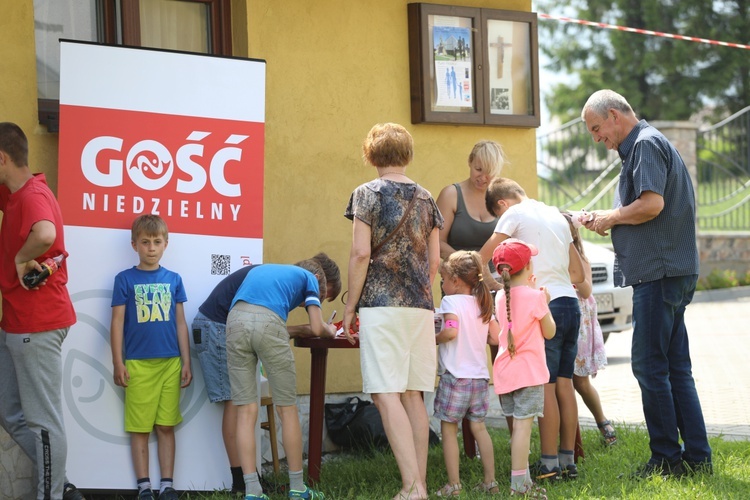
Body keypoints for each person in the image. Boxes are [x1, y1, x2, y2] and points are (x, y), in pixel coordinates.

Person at [580, 89, 711, 477]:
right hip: (672, 270)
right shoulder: (648, 143)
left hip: (660, 273)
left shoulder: (645, 145)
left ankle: (667, 459)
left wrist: (612, 217)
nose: (596, 138)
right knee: (674, 367)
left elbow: (652, 204)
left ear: (616, 115)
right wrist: (611, 219)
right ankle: (698, 458)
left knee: (650, 366)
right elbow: (644, 210)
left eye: (597, 128)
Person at [343, 123, 443, 500]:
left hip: (381, 307)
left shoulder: (366, 194)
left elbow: (360, 253)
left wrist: (351, 306)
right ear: (407, 154)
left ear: (371, 155)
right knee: (413, 395)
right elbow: (434, 262)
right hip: (419, 306)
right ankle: (421, 486)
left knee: (385, 394)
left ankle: (411, 487)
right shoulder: (427, 198)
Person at [191, 254, 341, 493]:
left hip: (232, 323)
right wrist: (329, 330)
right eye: (321, 297)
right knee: (285, 408)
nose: (310, 303)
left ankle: (251, 489)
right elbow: (308, 326)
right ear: (317, 277)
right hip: (220, 325)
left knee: (244, 409)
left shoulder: (269, 273)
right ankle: (294, 488)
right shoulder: (308, 278)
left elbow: (256, 318)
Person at [0, 122, 84, 500]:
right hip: (15, 322)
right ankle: (61, 484)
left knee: (43, 424)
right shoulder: (15, 192)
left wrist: (20, 258)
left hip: (37, 324)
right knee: (9, 410)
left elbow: (46, 234)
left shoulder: (32, 195)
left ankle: (51, 495)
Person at [479, 177, 584, 481]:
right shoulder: (556, 214)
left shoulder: (514, 214)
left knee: (546, 384)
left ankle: (548, 463)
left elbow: (483, 257)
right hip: (568, 304)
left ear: (502, 204)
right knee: (565, 382)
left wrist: (498, 287)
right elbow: (576, 272)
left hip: (542, 304)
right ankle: (568, 459)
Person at [110, 214, 192, 500]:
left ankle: (167, 484)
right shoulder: (124, 279)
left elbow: (181, 323)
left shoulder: (174, 280)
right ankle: (144, 486)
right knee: (140, 428)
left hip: (171, 363)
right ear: (134, 245)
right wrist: (118, 362)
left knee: (166, 425)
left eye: (157, 242)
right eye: (145, 242)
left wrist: (186, 361)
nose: (151, 248)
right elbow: (117, 322)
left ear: (166, 244)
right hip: (137, 365)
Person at [435, 139, 506, 456]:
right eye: (479, 169)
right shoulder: (452, 194)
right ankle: (468, 444)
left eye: (490, 173)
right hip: (459, 289)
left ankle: (507, 427)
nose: (483, 178)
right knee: (462, 361)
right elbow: (434, 242)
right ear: (469, 162)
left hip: (493, 291)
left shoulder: (499, 198)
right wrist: (470, 265)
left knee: (499, 356)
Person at [491, 239, 556, 498]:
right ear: (528, 265)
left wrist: (532, 294)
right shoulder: (536, 297)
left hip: (505, 373)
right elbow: (550, 332)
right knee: (523, 429)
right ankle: (518, 488)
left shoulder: (499, 296)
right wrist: (545, 301)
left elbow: (515, 309)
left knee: (518, 430)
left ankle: (525, 483)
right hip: (528, 373)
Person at [433, 251, 500, 496]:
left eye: (444, 279)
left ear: (456, 281)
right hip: (480, 378)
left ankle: (454, 485)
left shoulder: (451, 302)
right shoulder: (482, 303)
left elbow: (451, 332)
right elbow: (494, 336)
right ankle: (490, 482)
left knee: (449, 430)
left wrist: (433, 338)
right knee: (479, 428)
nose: (442, 284)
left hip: (455, 377)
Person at [562, 212, 617, 446]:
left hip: (579, 325)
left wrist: (569, 268)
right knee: (561, 381)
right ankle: (570, 436)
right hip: (560, 320)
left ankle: (603, 422)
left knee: (580, 382)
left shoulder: (580, 258)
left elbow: (585, 291)